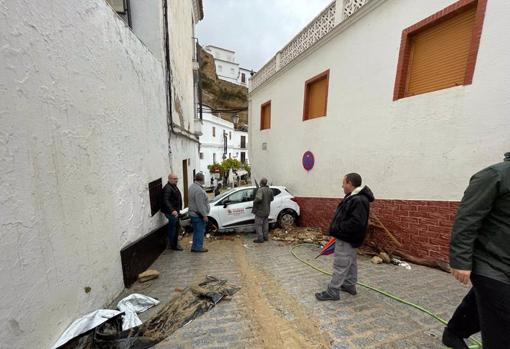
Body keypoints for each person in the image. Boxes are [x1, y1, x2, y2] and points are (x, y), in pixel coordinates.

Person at [442, 152, 510, 349]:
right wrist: (460, 261)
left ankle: (454, 332)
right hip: (490, 262)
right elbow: (467, 218)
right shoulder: (495, 175)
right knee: (503, 322)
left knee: (482, 302)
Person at [315, 173, 375, 301]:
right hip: (350, 238)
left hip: (346, 238)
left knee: (340, 264)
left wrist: (338, 229)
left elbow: (356, 223)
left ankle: (332, 291)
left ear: (350, 183)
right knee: (351, 262)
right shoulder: (354, 197)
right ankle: (349, 285)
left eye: (344, 183)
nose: (342, 185)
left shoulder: (358, 199)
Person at [188, 172, 210, 252]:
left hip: (193, 213)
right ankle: (198, 247)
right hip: (198, 215)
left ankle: (195, 246)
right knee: (200, 231)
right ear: (202, 180)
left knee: (197, 231)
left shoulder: (192, 187)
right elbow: (200, 205)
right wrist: (204, 215)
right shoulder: (199, 190)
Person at [161, 173, 183, 251]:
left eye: (176, 178)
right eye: (174, 179)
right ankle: (173, 245)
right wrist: (172, 210)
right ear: (169, 179)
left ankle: (173, 243)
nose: (176, 180)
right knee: (173, 228)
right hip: (171, 212)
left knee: (174, 227)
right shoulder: (167, 188)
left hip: (175, 211)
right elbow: (165, 200)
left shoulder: (173, 186)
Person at [252, 178, 274, 243]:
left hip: (260, 211)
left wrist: (254, 201)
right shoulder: (270, 190)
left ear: (261, 183)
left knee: (258, 225)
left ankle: (260, 239)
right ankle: (265, 237)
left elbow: (259, 198)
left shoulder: (260, 190)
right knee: (265, 225)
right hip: (267, 210)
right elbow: (272, 199)